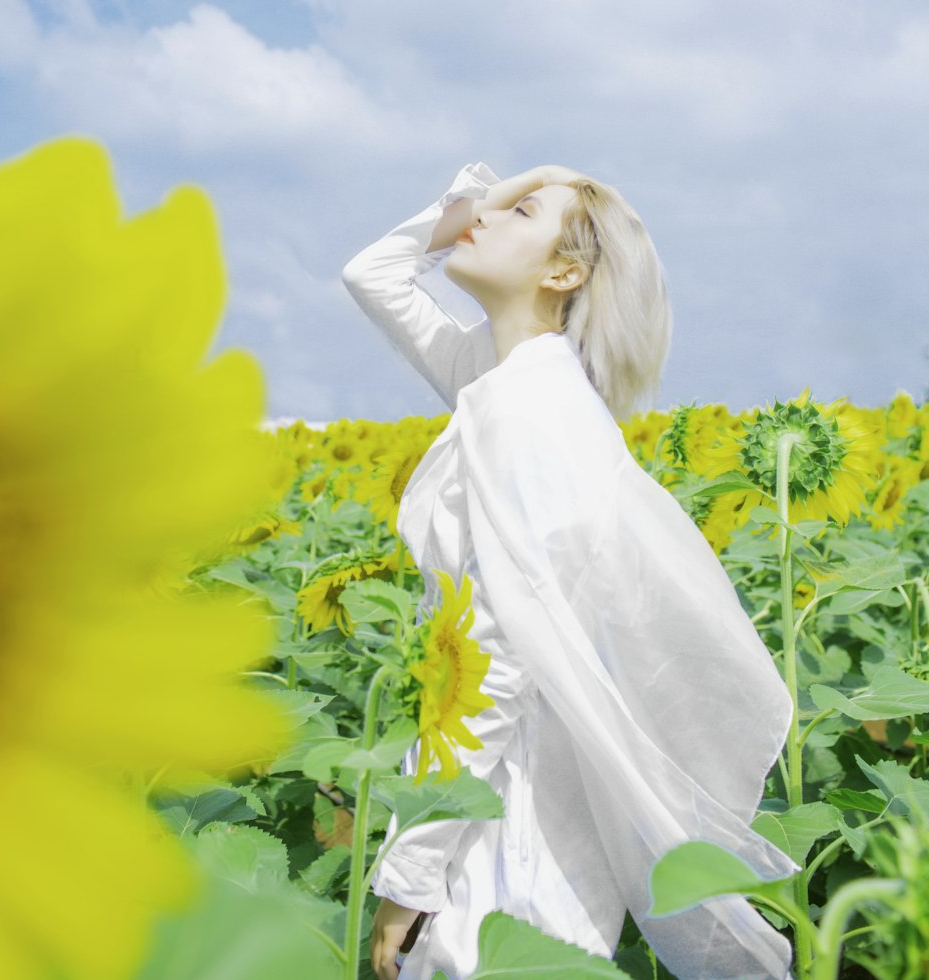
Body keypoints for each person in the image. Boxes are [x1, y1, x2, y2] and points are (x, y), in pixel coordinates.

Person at [341, 163, 800, 980]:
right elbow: (371, 273)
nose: (481, 217)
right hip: (484, 799)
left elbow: (498, 664)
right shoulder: (501, 383)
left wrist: (409, 877)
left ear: (564, 273)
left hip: (504, 825)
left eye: (519, 213)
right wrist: (516, 187)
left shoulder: (530, 414)